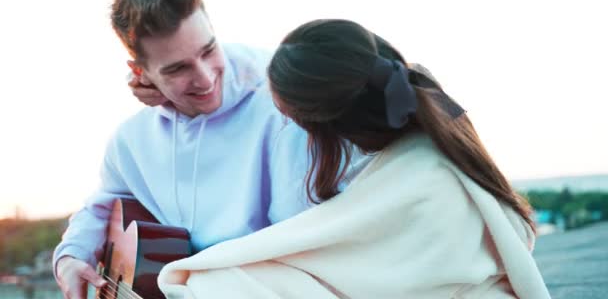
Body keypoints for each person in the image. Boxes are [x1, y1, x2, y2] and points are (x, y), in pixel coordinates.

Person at [155, 19, 551, 298]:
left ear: (325, 130)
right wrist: (164, 82)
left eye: (293, 122)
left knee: (218, 285)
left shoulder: (417, 187)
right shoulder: (429, 152)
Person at [52, 0, 341, 298]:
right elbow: (100, 208)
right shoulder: (129, 141)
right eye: (177, 69)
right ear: (140, 73)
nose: (204, 78)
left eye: (208, 50)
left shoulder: (283, 106)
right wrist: (69, 258)